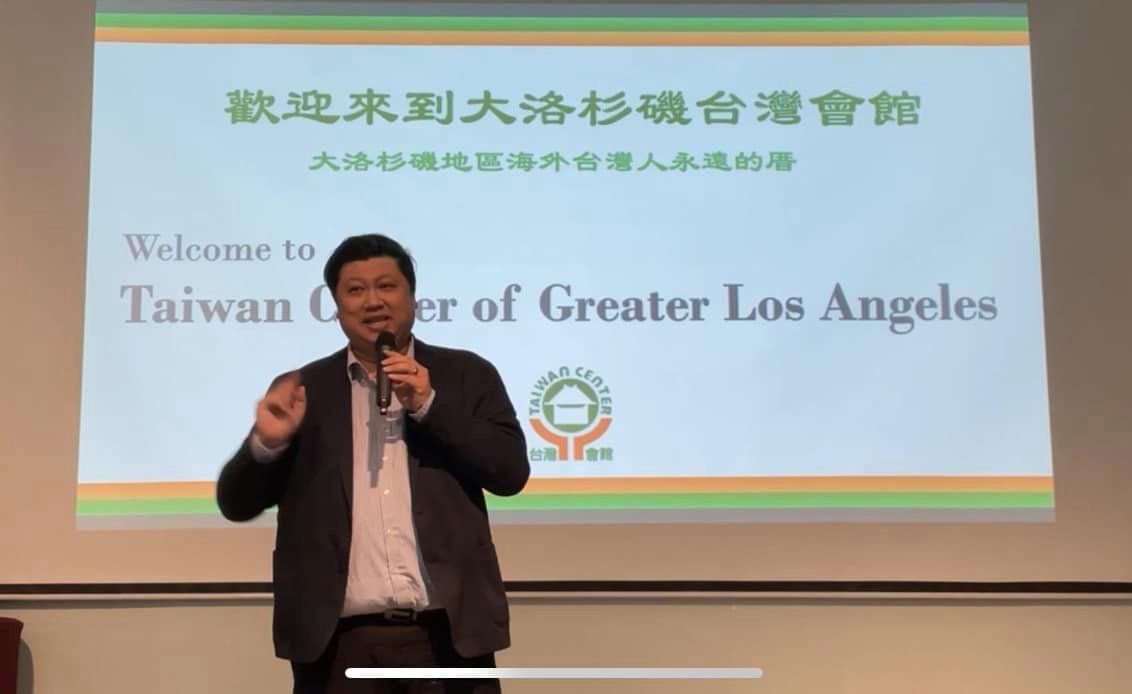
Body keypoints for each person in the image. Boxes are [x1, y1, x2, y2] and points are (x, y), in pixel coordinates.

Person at [217, 234, 530, 694]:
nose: (372, 301)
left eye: (386, 286)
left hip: (449, 640)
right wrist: (266, 443)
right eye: (355, 290)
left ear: (412, 296)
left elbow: (509, 473)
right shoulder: (304, 390)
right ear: (337, 306)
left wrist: (429, 405)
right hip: (336, 648)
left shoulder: (467, 375)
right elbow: (236, 503)